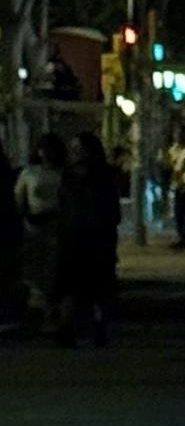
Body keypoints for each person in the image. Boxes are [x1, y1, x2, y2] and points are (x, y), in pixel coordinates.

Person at [53, 130, 122, 346]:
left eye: (78, 149)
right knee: (70, 284)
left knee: (98, 284)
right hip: (73, 236)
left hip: (96, 236)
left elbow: (112, 208)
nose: (74, 153)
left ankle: (98, 327)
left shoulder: (103, 176)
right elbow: (63, 205)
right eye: (73, 149)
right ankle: (68, 327)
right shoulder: (68, 176)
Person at [12, 136, 64, 334]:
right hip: (34, 225)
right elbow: (19, 200)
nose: (46, 153)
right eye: (43, 149)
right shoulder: (29, 173)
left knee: (54, 269)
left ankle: (51, 313)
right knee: (36, 270)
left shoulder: (63, 173)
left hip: (57, 226)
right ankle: (40, 312)